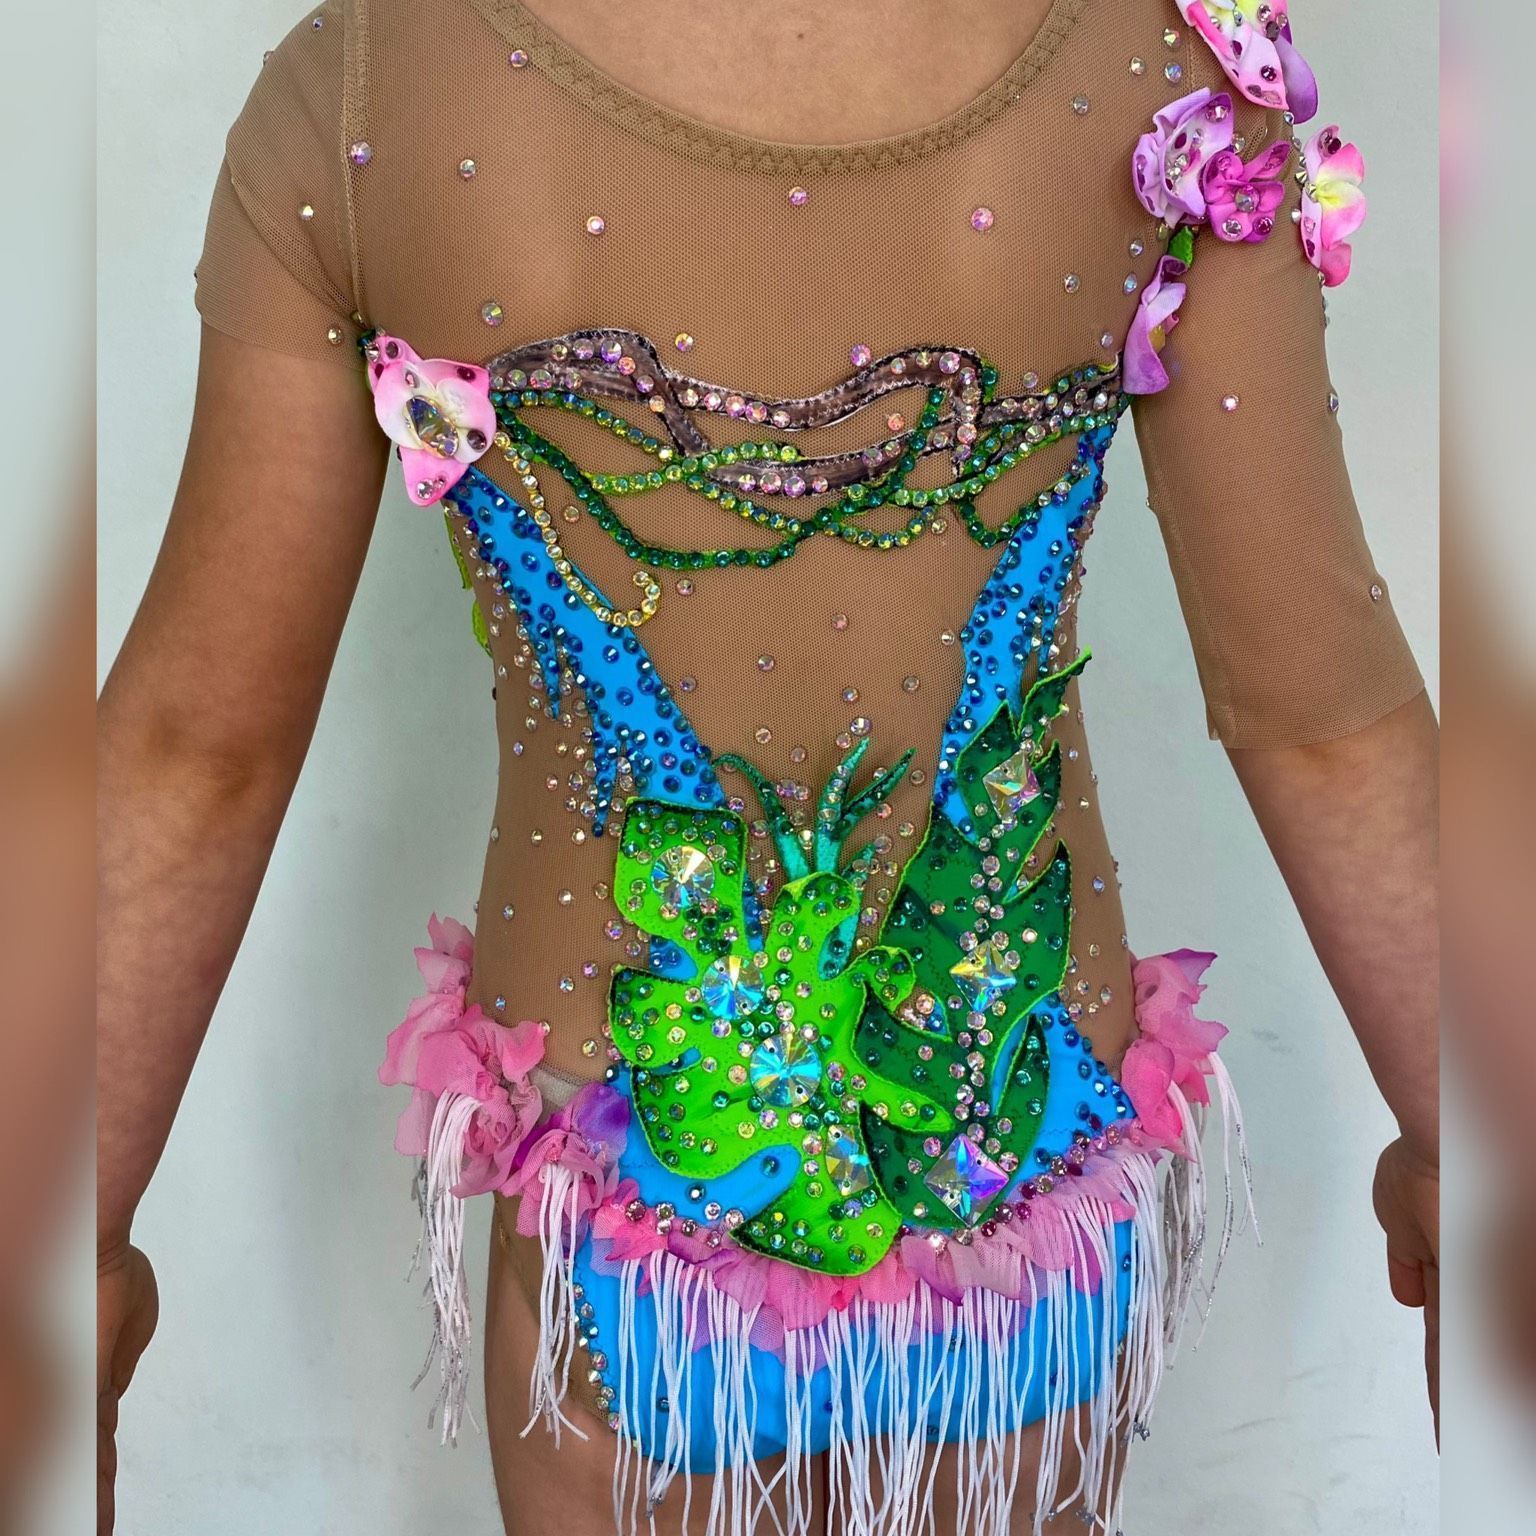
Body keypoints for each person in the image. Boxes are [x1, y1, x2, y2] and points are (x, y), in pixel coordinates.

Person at [97, 2, 1439, 1533]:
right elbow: (1325, 716)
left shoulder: (369, 82)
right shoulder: (1175, 67)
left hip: (631, 1245)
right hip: (1017, 1216)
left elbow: (199, 747)